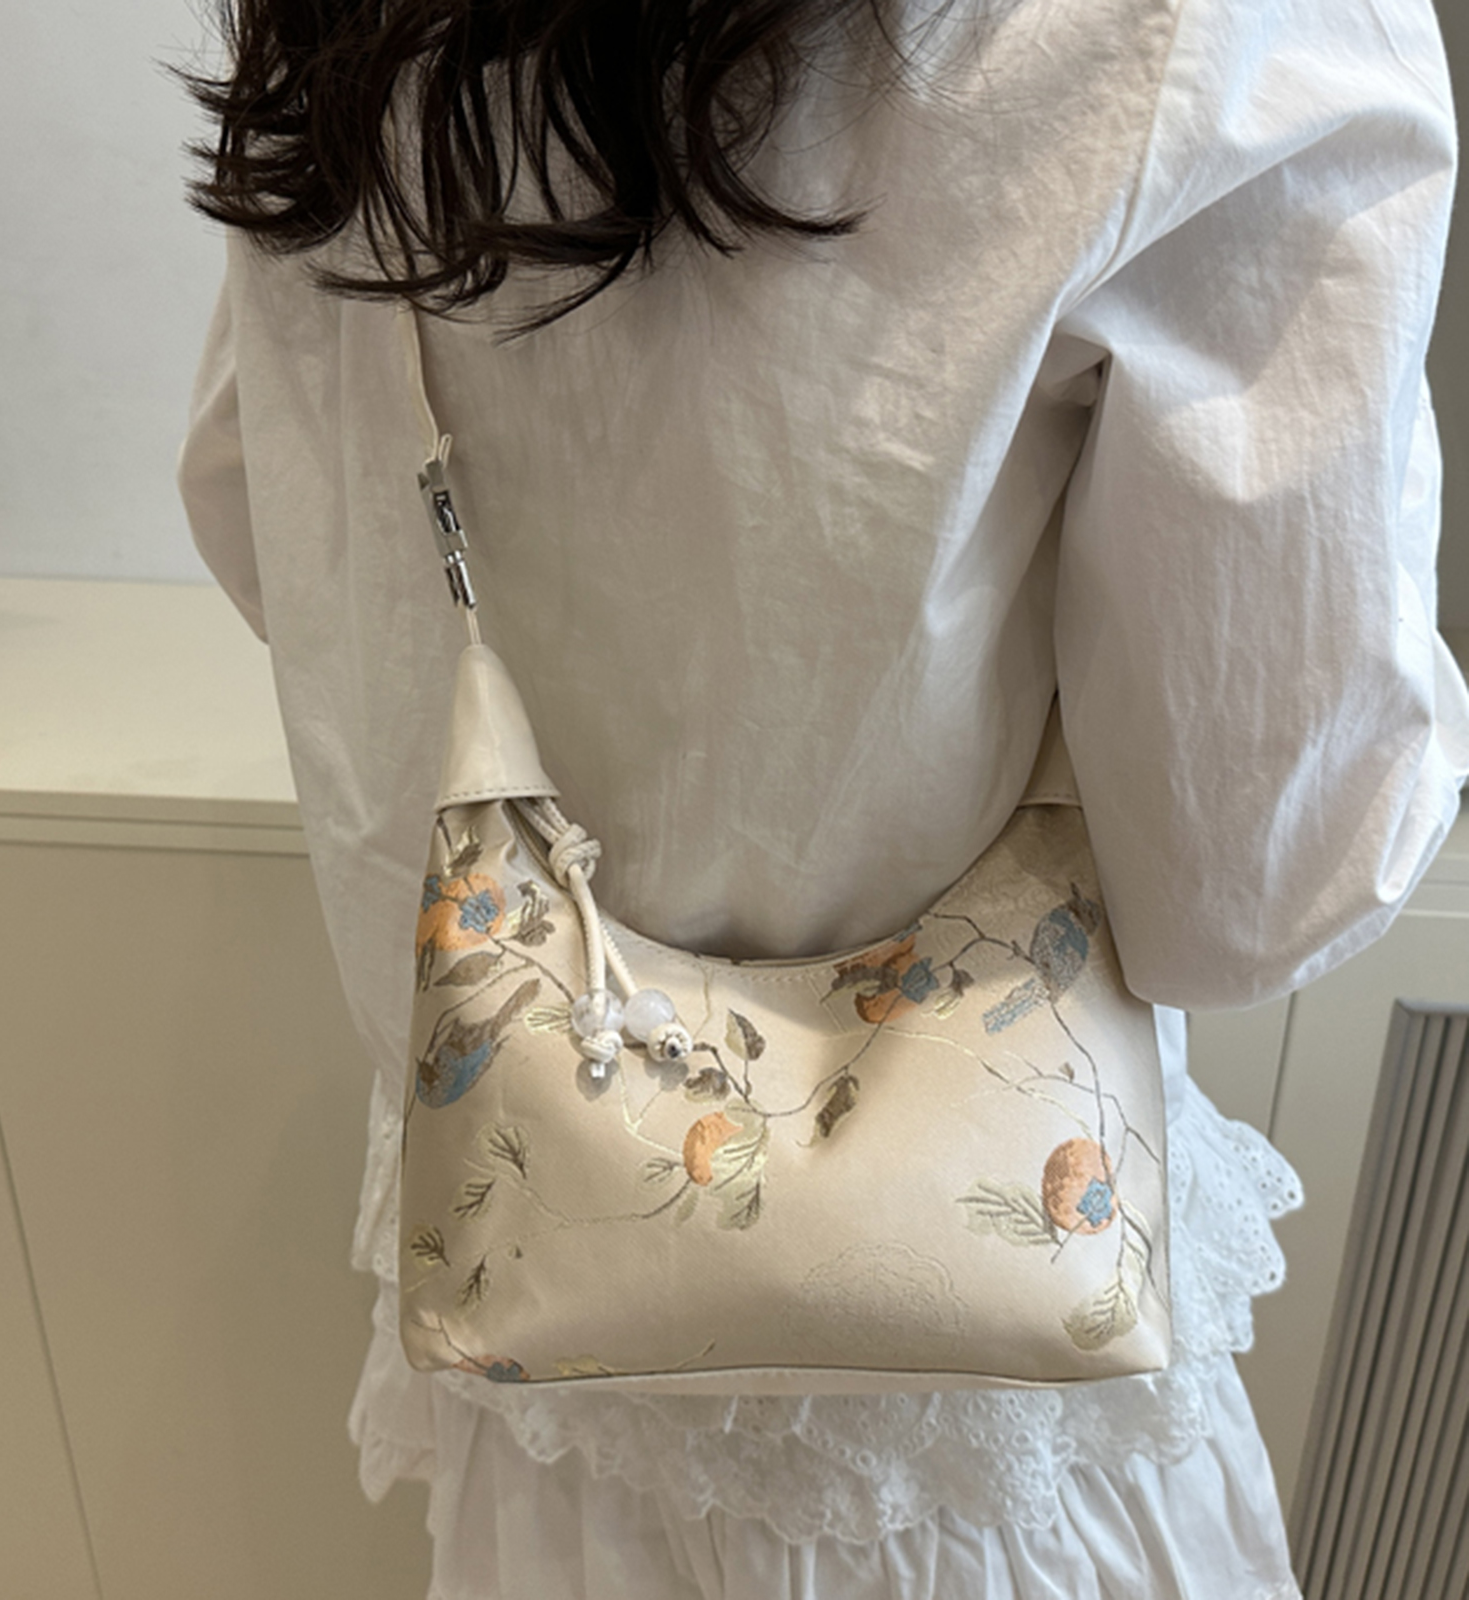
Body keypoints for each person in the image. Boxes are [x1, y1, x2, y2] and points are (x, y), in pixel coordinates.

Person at [177, 0, 1469, 1593]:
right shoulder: (1200, 32)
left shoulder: (353, 31)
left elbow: (259, 515)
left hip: (552, 1324)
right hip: (970, 1419)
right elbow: (1258, 883)